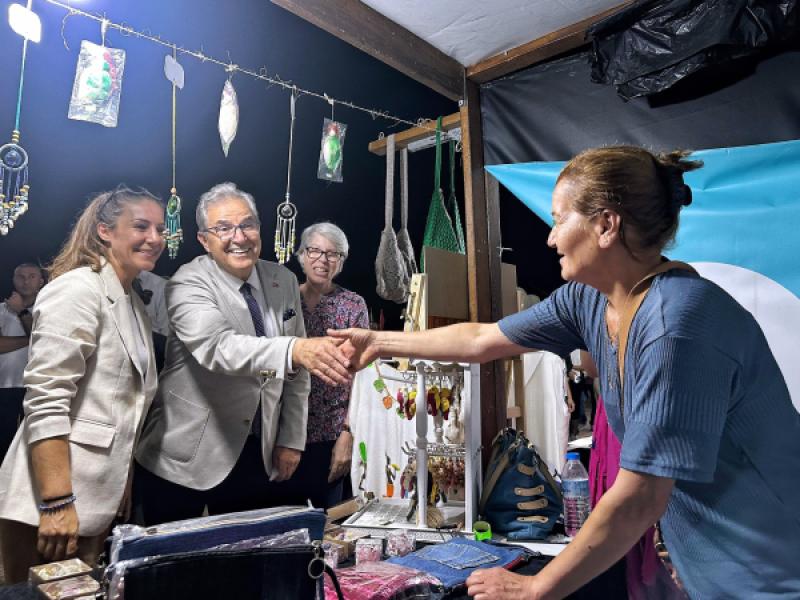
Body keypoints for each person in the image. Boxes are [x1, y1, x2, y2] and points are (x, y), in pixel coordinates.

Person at [331, 146, 800, 599]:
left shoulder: (675, 325)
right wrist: (379, 342)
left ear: (606, 225)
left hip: (774, 570)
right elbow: (481, 340)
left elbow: (641, 496)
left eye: (559, 220)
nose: (551, 238)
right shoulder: (590, 300)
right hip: (714, 570)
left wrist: (536, 588)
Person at [134, 183, 352, 525]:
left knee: (245, 550)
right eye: (223, 228)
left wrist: (291, 439)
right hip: (185, 455)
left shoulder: (282, 279)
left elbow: (298, 375)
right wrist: (294, 348)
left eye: (247, 224)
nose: (239, 237)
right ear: (204, 240)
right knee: (172, 556)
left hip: (257, 452)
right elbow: (219, 348)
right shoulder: (187, 283)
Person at [0, 187, 165, 583]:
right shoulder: (77, 289)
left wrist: (122, 480)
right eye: (140, 226)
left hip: (95, 499)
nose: (154, 238)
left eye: (160, 229)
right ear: (105, 231)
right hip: (48, 503)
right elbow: (46, 401)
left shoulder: (132, 301)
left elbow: (126, 408)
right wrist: (57, 501)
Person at [282, 222, 368, 509]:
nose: (322, 260)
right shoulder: (283, 299)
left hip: (330, 434)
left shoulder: (353, 305)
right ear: (302, 254)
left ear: (341, 261)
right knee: (283, 520)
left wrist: (347, 433)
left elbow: (362, 376)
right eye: (315, 251)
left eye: (333, 254)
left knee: (330, 521)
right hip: (282, 433)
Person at [0, 263, 45, 461]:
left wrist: (21, 311)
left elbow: (46, 343)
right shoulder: (1, 309)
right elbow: (40, 338)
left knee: (33, 444)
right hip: (4, 386)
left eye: (32, 276)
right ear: (13, 280)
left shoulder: (48, 308)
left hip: (38, 386)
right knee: (4, 441)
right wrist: (31, 338)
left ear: (41, 282)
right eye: (21, 276)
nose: (26, 281)